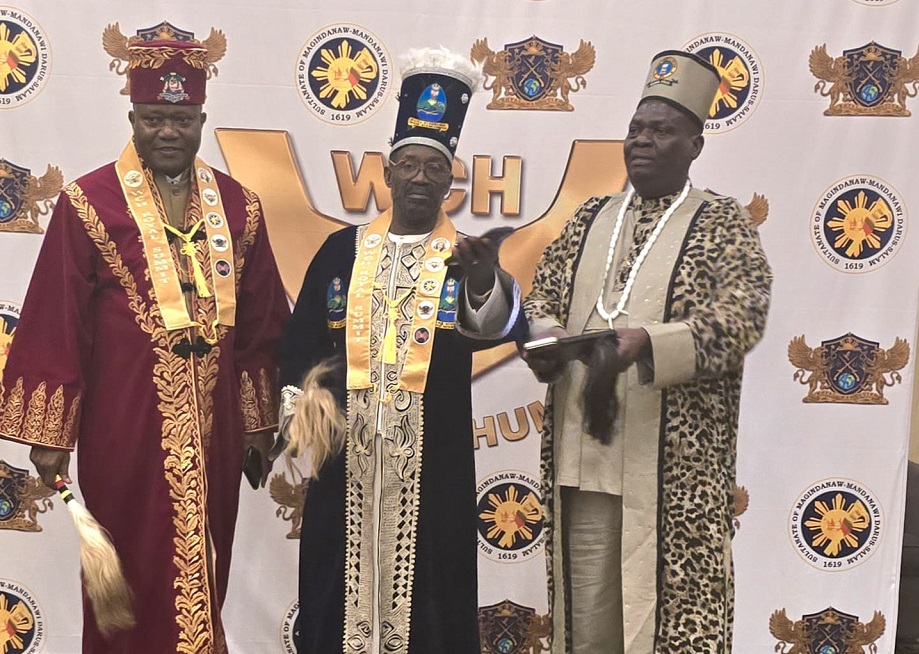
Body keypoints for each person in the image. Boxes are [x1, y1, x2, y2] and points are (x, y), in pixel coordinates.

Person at [0, 40, 290, 654]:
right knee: (126, 567)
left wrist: (259, 424)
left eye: (182, 119)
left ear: (202, 119)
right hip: (123, 427)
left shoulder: (240, 208)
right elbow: (57, 320)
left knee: (207, 561)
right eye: (154, 119)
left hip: (215, 431)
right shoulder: (89, 203)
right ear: (132, 119)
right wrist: (50, 433)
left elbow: (262, 324)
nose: (168, 132)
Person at [523, 50, 772, 654]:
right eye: (636, 129)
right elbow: (542, 296)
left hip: (675, 468)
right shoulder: (592, 216)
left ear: (695, 145)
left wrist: (649, 343)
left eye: (661, 131)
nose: (641, 141)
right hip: (585, 457)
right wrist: (547, 337)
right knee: (586, 621)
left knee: (671, 623)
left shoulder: (720, 221)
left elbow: (742, 315)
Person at [279, 47, 526, 654]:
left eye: (434, 167)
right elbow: (301, 341)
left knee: (433, 592)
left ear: (451, 180)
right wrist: (301, 416)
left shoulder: (467, 257)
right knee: (333, 587)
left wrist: (481, 280)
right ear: (387, 174)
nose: (420, 178)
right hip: (346, 460)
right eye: (408, 165)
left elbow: (499, 325)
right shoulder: (340, 252)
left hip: (432, 461)